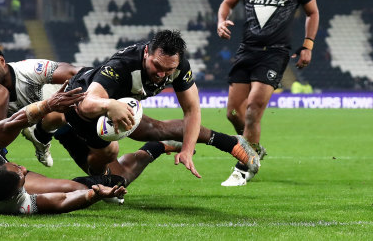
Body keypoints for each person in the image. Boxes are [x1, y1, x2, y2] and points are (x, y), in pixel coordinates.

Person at [49, 29, 259, 178]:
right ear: (147, 51)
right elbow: (87, 104)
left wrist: (187, 148)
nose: (162, 74)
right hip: (88, 111)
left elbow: (192, 109)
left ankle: (231, 143)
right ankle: (155, 149)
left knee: (155, 129)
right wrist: (109, 105)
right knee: (111, 176)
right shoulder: (121, 66)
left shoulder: (177, 66)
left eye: (169, 70)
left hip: (114, 109)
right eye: (157, 66)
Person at [217, 0, 319, 186]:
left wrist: (307, 45)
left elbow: (313, 13)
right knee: (232, 113)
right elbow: (227, 4)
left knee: (253, 110)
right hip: (246, 50)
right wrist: (221, 21)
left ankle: (244, 166)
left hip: (275, 53)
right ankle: (255, 148)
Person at [0, 81, 127, 214]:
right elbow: (61, 201)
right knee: (79, 189)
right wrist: (94, 195)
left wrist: (48, 105)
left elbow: (11, 124)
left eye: (18, 168)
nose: (24, 168)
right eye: (22, 175)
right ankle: (94, 182)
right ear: (17, 193)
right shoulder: (15, 204)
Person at [0, 42, 80, 167]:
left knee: (58, 118)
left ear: (1, 61)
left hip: (53, 114)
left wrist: (97, 78)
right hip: (21, 120)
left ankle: (41, 139)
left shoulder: (29, 70)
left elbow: (74, 72)